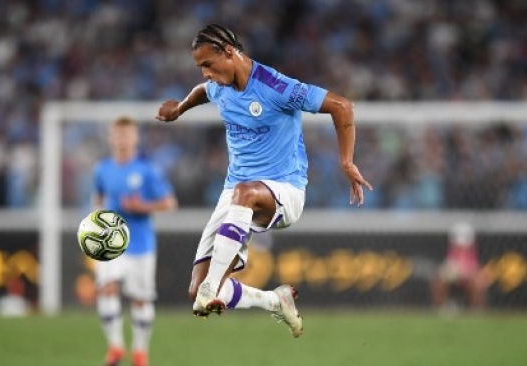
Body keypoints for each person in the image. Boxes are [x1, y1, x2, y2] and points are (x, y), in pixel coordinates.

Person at [155, 24, 372, 338]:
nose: (204, 73)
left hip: (285, 189)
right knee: (194, 290)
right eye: (200, 67)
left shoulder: (275, 86)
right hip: (237, 193)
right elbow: (204, 92)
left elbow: (342, 106)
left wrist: (346, 161)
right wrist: (179, 108)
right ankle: (275, 300)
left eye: (207, 64)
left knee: (241, 201)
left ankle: (209, 288)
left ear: (229, 52)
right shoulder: (220, 85)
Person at [92, 117, 177, 366]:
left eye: (126, 135)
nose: (122, 140)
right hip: (111, 242)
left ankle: (140, 352)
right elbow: (97, 198)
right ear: (110, 138)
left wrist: (143, 206)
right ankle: (116, 347)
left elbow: (170, 203)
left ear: (135, 138)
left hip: (140, 243)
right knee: (106, 287)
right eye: (118, 135)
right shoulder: (102, 169)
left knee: (140, 299)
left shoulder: (148, 169)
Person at [431, 222, 490, 313]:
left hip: (469, 278)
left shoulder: (475, 250)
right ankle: (440, 309)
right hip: (454, 277)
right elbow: (448, 266)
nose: (461, 245)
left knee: (478, 283)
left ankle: (477, 312)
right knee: (439, 280)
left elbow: (476, 269)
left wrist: (468, 274)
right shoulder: (450, 248)